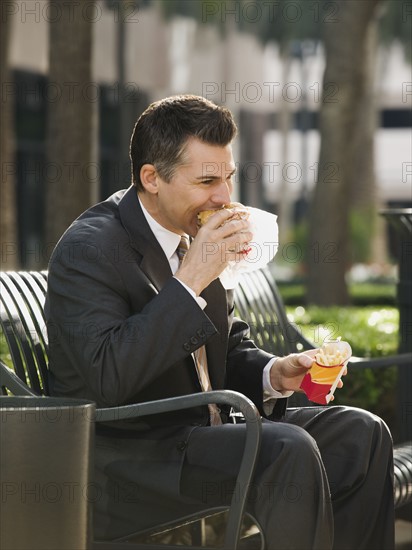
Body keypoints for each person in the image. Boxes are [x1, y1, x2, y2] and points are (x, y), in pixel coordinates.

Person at [45, 94, 394, 549]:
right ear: (151, 178)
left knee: (362, 435)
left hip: (203, 437)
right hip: (131, 461)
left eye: (227, 177)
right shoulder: (90, 249)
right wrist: (190, 279)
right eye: (207, 180)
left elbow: (224, 348)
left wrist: (275, 372)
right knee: (285, 451)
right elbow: (108, 378)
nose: (224, 197)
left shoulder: (192, 235)